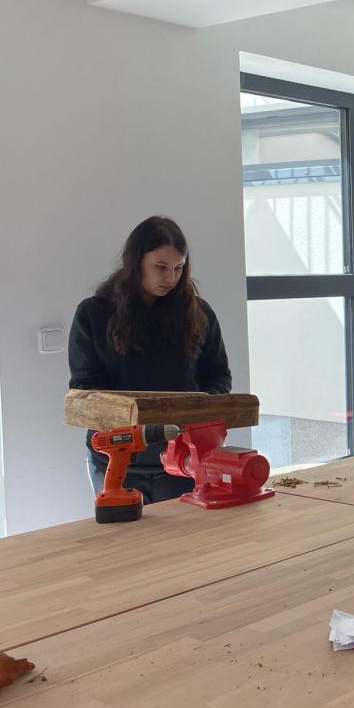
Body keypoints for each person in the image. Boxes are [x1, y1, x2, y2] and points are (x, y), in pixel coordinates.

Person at [68, 216, 232, 504]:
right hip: (115, 458)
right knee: (124, 532)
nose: (170, 278)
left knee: (184, 534)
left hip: (182, 458)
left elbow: (219, 376)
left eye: (178, 268)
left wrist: (198, 411)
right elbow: (85, 388)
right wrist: (133, 419)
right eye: (160, 267)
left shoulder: (198, 314)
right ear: (136, 262)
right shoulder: (94, 314)